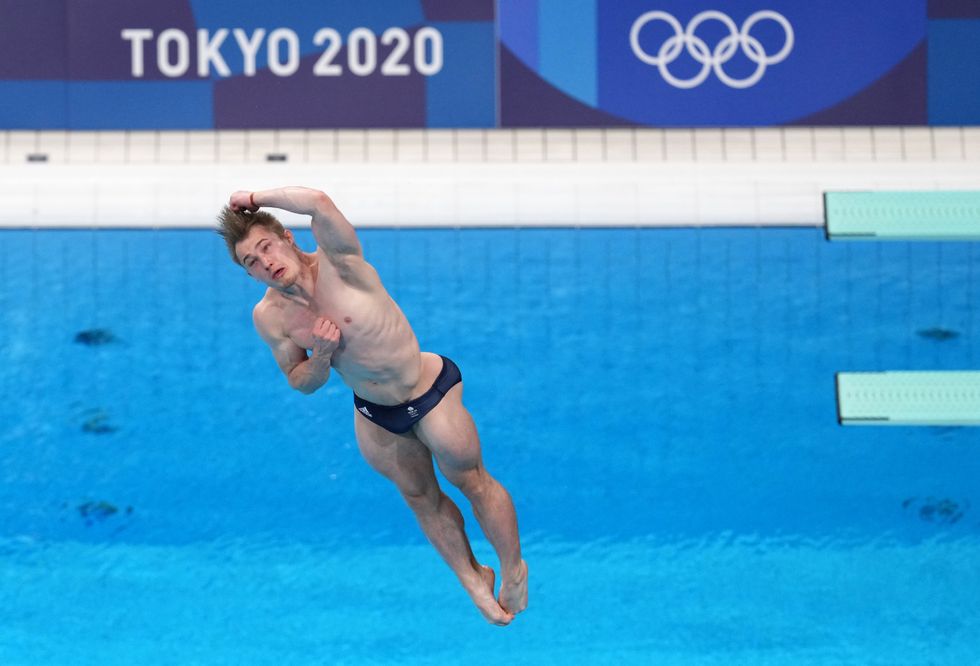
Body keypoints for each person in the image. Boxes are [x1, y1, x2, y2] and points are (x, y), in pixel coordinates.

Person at [217, 186, 527, 625]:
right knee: (420, 497)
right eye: (251, 261)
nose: (265, 262)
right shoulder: (270, 317)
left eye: (266, 247)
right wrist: (322, 357)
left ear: (287, 237)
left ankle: (514, 567)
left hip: (427, 387)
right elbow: (298, 382)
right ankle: (472, 576)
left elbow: (319, 203)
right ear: (248, 274)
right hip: (375, 412)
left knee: (471, 480)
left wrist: (255, 196)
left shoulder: (340, 262)